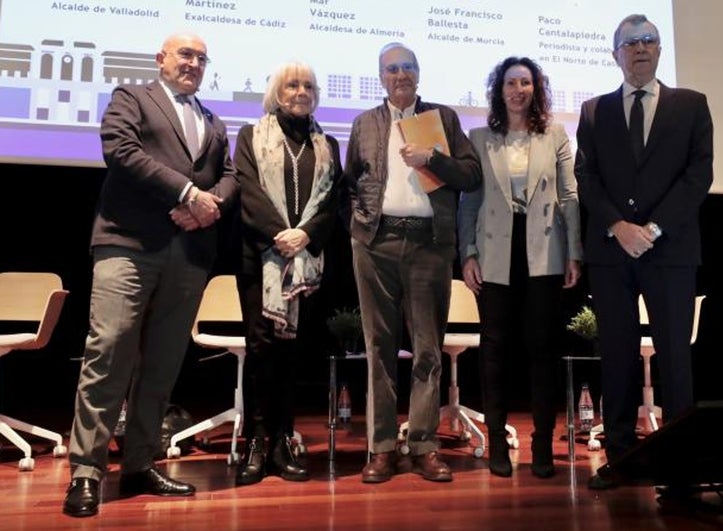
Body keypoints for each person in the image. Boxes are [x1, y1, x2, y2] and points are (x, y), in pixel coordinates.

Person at [62, 32, 239, 517]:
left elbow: (227, 175)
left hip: (189, 251)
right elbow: (120, 150)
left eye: (202, 58)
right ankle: (87, 471)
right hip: (128, 243)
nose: (194, 63)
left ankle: (140, 463)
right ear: (160, 59)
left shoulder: (213, 120)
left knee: (163, 362)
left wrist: (209, 206)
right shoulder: (131, 98)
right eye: (186, 54)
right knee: (110, 349)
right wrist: (186, 195)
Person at [574, 14, 713, 489]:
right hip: (612, 252)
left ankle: (679, 467)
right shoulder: (593, 111)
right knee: (616, 354)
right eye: (630, 43)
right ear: (615, 54)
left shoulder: (692, 105)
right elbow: (586, 178)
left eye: (649, 41)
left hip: (669, 250)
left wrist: (650, 229)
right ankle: (620, 458)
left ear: (659, 51)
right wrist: (618, 225)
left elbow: (699, 176)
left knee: (675, 357)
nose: (640, 48)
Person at [344, 42, 482, 483]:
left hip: (429, 244)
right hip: (375, 243)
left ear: (419, 74)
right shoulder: (364, 123)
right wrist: (359, 226)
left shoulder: (442, 119)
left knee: (427, 349)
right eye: (391, 69)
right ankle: (382, 448)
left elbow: (471, 175)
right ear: (380, 77)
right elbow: (350, 182)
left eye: (408, 67)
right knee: (379, 349)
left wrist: (434, 159)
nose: (400, 75)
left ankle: (423, 444)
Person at [458, 57, 582, 479]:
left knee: (543, 349)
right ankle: (495, 442)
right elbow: (468, 202)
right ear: (500, 90)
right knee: (494, 350)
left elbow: (569, 196)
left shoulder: (556, 135)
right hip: (495, 253)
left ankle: (543, 445)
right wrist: (468, 253)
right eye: (510, 83)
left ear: (535, 89)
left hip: (543, 251)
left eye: (525, 82)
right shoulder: (478, 137)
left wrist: (574, 252)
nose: (518, 90)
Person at [233, 62, 342, 485]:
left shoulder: (328, 143)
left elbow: (333, 200)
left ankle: (283, 440)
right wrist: (280, 235)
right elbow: (246, 188)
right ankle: (256, 444)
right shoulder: (249, 136)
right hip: (262, 257)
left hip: (306, 263)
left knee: (294, 354)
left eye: (309, 85)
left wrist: (306, 236)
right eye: (292, 85)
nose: (301, 91)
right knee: (262, 350)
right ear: (278, 93)